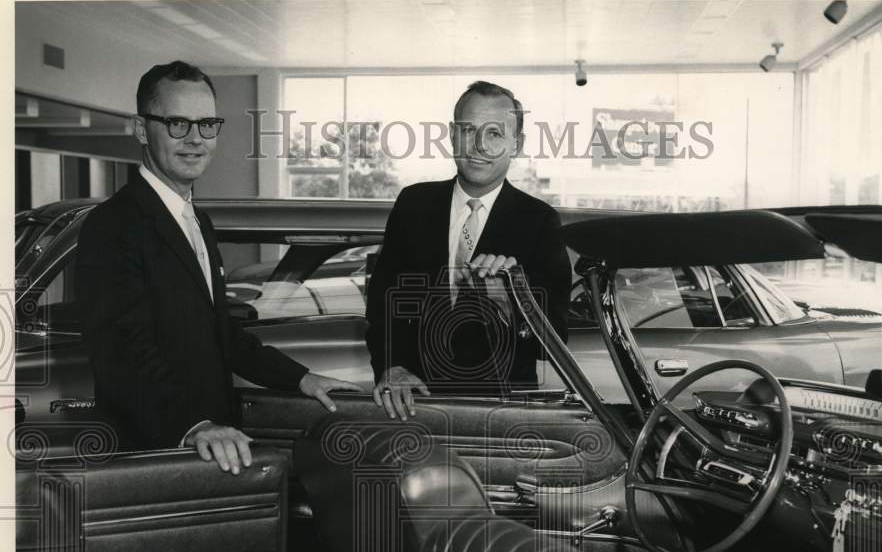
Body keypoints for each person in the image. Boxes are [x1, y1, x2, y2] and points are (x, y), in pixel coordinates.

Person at [76, 61, 357, 473]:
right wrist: (194, 426)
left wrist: (301, 379)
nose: (195, 139)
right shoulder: (112, 225)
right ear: (141, 129)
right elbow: (121, 352)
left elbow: (219, 331)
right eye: (177, 124)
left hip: (212, 449)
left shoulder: (197, 221)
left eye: (207, 124)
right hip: (153, 456)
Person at [365, 81, 571, 419]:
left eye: (494, 134)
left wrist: (509, 299)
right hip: (414, 403)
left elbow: (554, 341)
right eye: (468, 130)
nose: (478, 146)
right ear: (451, 135)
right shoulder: (413, 205)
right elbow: (382, 305)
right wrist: (392, 366)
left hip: (501, 412)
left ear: (516, 144)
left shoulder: (539, 221)